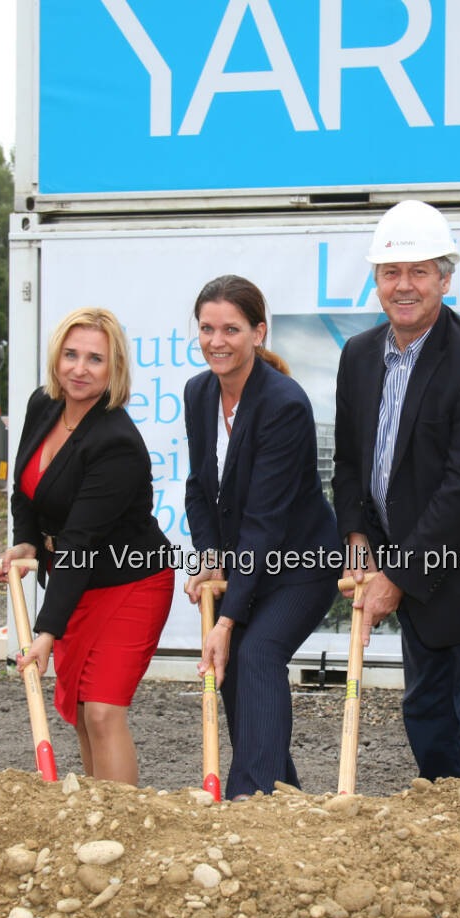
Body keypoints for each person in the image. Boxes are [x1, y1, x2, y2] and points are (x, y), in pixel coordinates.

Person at [332, 200, 460, 782]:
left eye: (419, 271)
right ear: (375, 280)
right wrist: (357, 539)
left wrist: (396, 578)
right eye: (391, 272)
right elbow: (350, 464)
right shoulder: (358, 356)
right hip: (422, 590)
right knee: (427, 720)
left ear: (446, 279)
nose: (404, 286)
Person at [0, 307, 174, 785]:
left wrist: (46, 631)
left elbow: (79, 543)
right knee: (77, 707)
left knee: (101, 710)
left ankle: (122, 826)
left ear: (114, 370)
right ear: (56, 357)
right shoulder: (43, 405)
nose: (79, 368)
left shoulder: (116, 442)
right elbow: (24, 489)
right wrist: (26, 542)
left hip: (130, 582)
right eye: (71, 354)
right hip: (77, 581)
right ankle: (95, 818)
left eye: (95, 359)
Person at [182, 275, 340, 796]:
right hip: (247, 565)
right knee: (237, 684)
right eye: (207, 328)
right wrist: (208, 558)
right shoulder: (199, 392)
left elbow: (265, 524)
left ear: (258, 333)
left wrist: (225, 620)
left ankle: (250, 800)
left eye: (231, 328)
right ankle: (283, 797)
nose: (216, 341)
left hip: (300, 568)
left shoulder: (284, 405)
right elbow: (199, 489)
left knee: (255, 654)